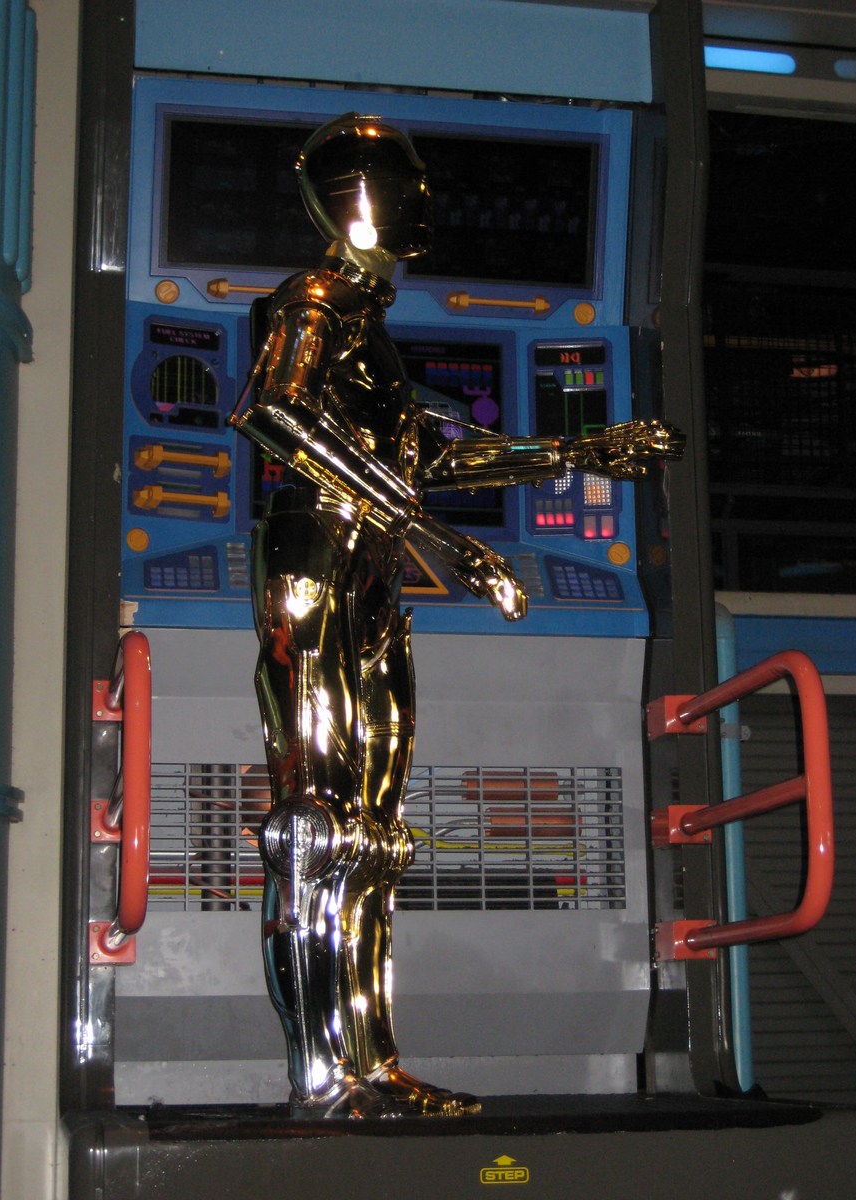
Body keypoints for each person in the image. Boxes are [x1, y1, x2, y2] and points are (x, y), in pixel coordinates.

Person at [230, 112, 683, 1118]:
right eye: (405, 188)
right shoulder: (313, 299)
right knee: (318, 827)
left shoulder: (369, 326)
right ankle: (325, 1077)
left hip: (369, 573)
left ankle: (369, 1065)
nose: (419, 205)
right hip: (317, 562)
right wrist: (444, 540)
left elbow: (428, 458)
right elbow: (273, 410)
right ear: (365, 200)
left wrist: (577, 452)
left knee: (374, 834)